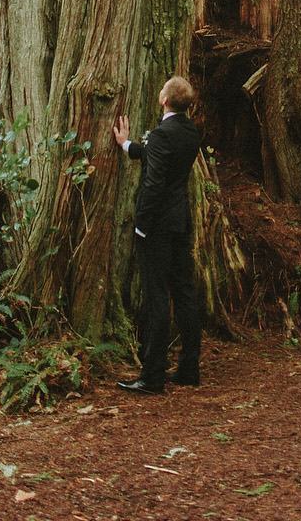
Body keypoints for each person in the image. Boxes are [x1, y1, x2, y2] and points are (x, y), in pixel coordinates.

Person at [113, 75, 202, 393]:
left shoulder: (164, 134)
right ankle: (190, 369)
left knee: (156, 296)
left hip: (158, 226)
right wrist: (127, 145)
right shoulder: (189, 131)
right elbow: (153, 154)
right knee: (184, 293)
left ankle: (152, 376)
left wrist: (141, 222)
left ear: (164, 99)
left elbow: (154, 181)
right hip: (180, 222)